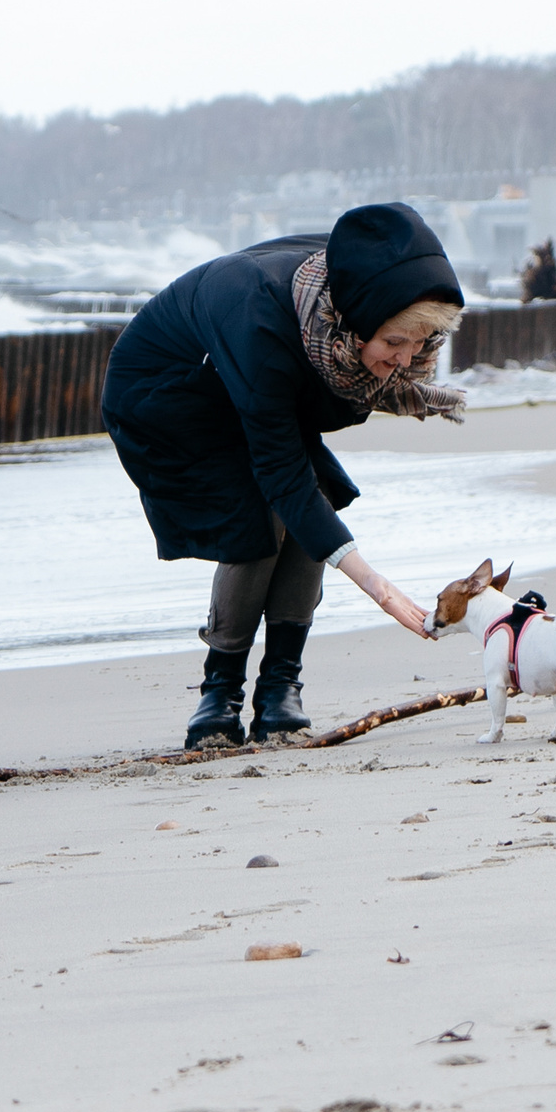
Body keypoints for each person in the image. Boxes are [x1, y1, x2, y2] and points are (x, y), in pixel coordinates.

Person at [101, 203, 466, 750]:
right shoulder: (260, 313)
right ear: (352, 323)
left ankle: (280, 690)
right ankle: (218, 694)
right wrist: (376, 586)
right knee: (263, 516)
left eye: (419, 344)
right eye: (394, 343)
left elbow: (297, 463)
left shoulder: (355, 273)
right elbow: (278, 471)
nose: (405, 359)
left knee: (311, 501)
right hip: (168, 396)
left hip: (245, 385)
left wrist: (402, 345)